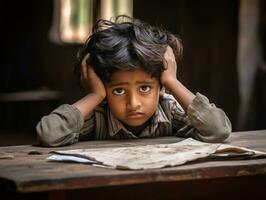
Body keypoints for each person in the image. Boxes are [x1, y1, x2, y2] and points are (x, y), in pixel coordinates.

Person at [36, 15, 231, 147]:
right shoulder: (98, 117)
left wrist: (172, 81)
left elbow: (218, 130)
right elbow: (49, 134)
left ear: (160, 86)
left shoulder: (168, 110)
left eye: (145, 88)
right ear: (103, 87)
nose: (133, 103)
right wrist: (95, 95)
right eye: (118, 91)